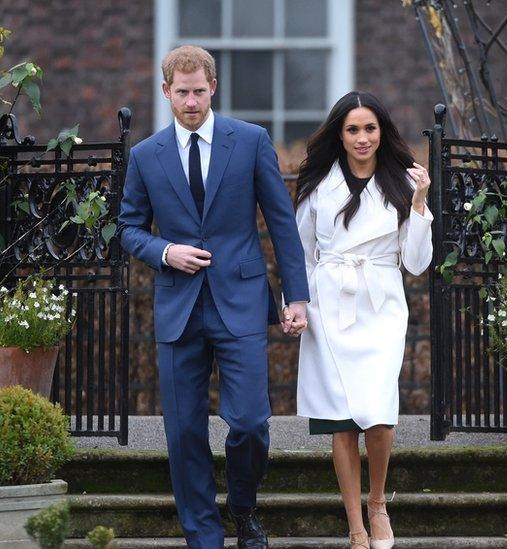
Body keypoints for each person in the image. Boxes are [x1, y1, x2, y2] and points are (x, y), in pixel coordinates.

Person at [118, 45, 310, 549]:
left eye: (199, 91)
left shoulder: (249, 141)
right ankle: (204, 537)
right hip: (178, 306)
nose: (191, 102)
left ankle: (243, 509)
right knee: (183, 434)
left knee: (249, 422)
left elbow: (282, 223)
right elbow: (129, 229)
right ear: (166, 92)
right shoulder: (145, 156)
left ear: (213, 88)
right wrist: (165, 252)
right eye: (181, 93)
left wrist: (297, 296)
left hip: (241, 301)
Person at [294, 91, 433, 549]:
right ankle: (355, 525)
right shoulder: (317, 187)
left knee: (379, 415)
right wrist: (296, 303)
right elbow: (301, 254)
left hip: (380, 308)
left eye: (369, 128)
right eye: (352, 129)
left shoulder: (400, 184)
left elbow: (414, 263)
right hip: (328, 308)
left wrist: (419, 205)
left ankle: (378, 503)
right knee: (341, 420)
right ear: (340, 134)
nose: (361, 138)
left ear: (381, 132)